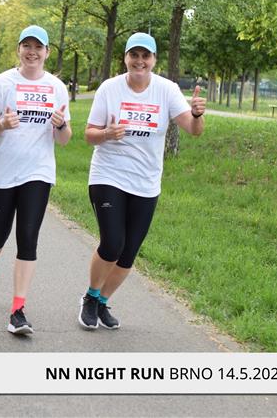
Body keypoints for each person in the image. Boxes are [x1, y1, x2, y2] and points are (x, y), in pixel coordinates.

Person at [78, 32, 205, 330]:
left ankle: (103, 301)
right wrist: (106, 134)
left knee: (128, 252)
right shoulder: (110, 89)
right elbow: (89, 135)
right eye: (133, 55)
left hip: (146, 182)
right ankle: (90, 297)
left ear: (154, 60)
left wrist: (197, 114)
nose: (139, 61)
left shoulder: (167, 90)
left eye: (145, 56)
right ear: (125, 58)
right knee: (113, 243)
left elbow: (193, 129)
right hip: (109, 175)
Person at [0, 25, 72, 335]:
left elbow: (65, 139)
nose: (32, 52)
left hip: (38, 171)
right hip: (2, 172)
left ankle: (17, 310)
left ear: (47, 52)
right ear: (19, 49)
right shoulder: (3, 83)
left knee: (28, 237)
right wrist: (2, 124)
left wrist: (61, 126)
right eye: (27, 46)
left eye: (38, 47)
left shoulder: (56, 87)